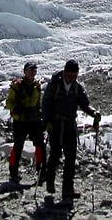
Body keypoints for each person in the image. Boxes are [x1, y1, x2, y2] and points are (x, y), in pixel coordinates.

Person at [41, 59, 100, 200]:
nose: (72, 77)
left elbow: (85, 104)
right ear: (65, 72)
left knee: (71, 158)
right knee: (55, 155)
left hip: (69, 126)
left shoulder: (76, 87)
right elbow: (46, 103)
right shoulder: (54, 85)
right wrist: (47, 121)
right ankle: (50, 181)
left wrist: (94, 113)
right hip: (55, 124)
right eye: (70, 74)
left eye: (75, 75)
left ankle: (68, 189)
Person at [6, 61, 46, 184]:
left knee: (40, 145)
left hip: (34, 119)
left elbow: (39, 103)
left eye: (34, 70)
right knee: (18, 147)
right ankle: (13, 173)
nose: (33, 72)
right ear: (25, 71)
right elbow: (8, 103)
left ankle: (41, 173)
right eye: (30, 70)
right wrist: (16, 108)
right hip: (21, 120)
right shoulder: (17, 86)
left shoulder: (37, 86)